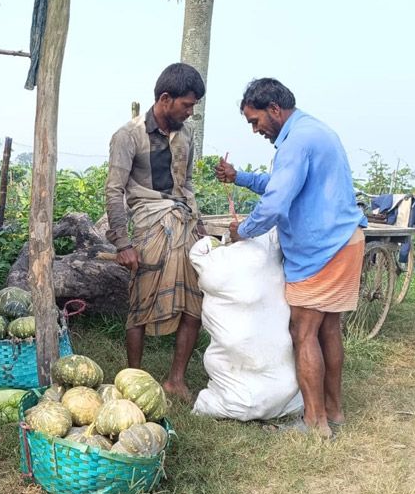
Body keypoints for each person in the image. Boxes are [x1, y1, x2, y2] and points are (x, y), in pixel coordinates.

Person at [214, 78, 367, 437]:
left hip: (321, 250)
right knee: (329, 328)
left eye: (255, 121)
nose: (255, 130)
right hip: (345, 241)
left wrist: (243, 231)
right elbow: (283, 183)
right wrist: (240, 178)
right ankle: (334, 411)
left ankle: (315, 423)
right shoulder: (312, 131)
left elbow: (277, 202)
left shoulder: (295, 142)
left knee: (304, 331)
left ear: (275, 109)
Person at [105, 62, 207, 402]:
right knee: (140, 303)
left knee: (194, 301)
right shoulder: (127, 136)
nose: (190, 113)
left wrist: (199, 222)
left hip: (184, 221)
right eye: (186, 105)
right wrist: (122, 242)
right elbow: (114, 190)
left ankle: (175, 379)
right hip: (149, 225)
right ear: (165, 98)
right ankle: (133, 379)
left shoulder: (186, 135)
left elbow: (187, 183)